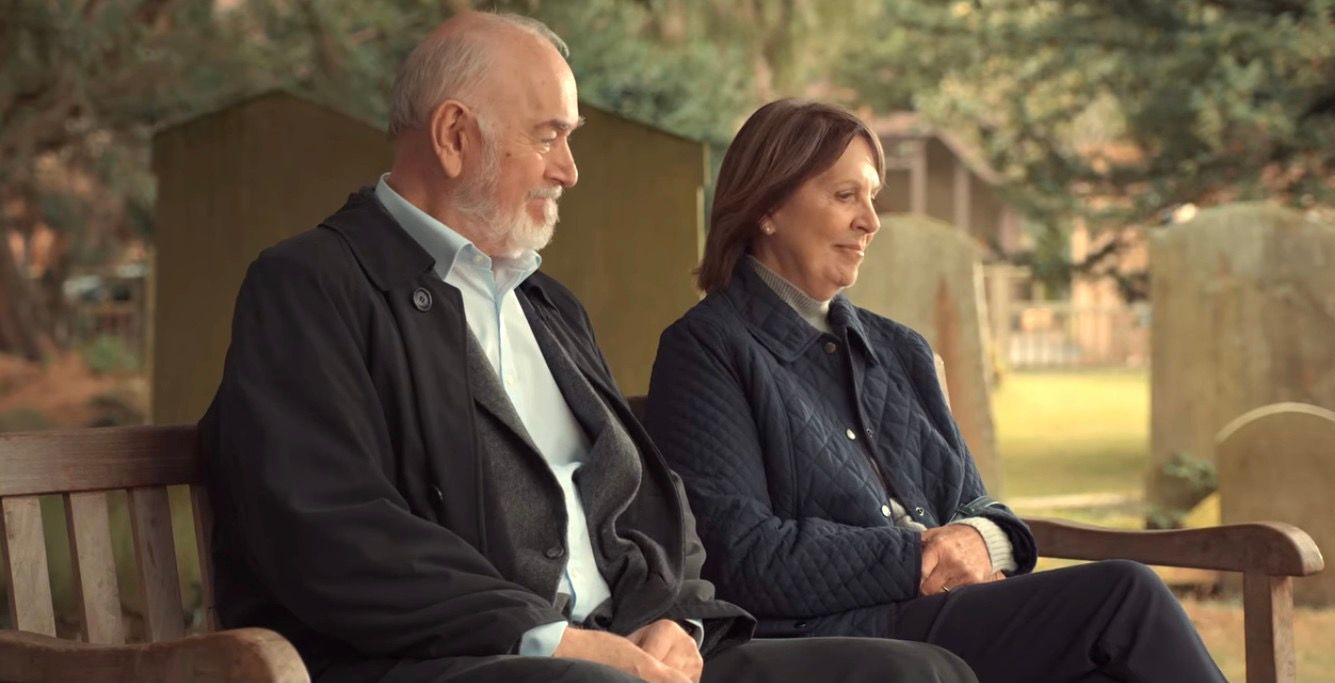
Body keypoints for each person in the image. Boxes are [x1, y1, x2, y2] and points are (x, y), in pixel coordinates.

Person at [200, 13, 977, 683]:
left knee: (917, 671)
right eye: (549, 138)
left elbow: (655, 503)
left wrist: (680, 619)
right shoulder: (313, 286)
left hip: (621, 652)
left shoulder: (547, 307)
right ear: (454, 135)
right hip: (453, 661)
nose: (569, 170)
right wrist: (566, 642)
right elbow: (332, 530)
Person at [644, 98, 1228, 683]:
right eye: (845, 196)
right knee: (1123, 596)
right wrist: (921, 556)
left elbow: (980, 511)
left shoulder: (899, 350)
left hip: (949, 615)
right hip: (837, 635)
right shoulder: (707, 349)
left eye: (872, 197)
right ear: (767, 207)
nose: (870, 221)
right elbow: (742, 555)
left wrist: (978, 543)